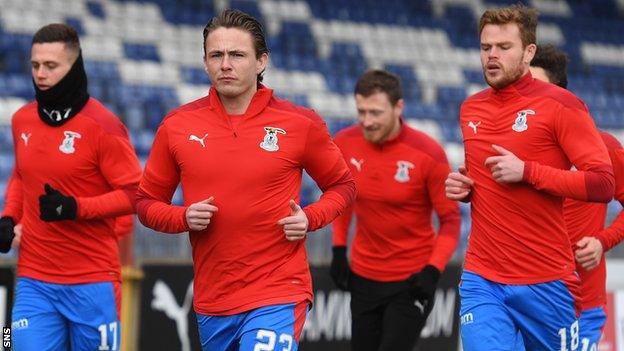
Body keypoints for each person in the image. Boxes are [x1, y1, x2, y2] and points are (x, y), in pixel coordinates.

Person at [135, 9, 356, 351]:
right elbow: (145, 203)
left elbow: (343, 185)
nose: (226, 64)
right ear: (205, 62)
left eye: (237, 55)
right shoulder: (177, 126)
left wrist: (309, 218)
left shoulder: (300, 123)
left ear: (261, 61)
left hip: (279, 290)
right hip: (214, 299)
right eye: (216, 55)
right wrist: (183, 217)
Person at [445, 5, 615, 350]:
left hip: (546, 281)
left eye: (504, 47)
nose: (492, 56)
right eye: (485, 47)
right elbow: (489, 183)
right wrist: (466, 189)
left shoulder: (563, 106)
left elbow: (603, 184)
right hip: (483, 277)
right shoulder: (470, 108)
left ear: (529, 52)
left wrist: (529, 172)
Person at [0, 23, 142, 350]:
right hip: (34, 279)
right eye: (35, 65)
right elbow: (22, 175)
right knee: (9, 344)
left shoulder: (104, 127)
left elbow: (137, 194)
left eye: (51, 66)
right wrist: (9, 218)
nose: (40, 74)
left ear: (73, 66)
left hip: (93, 284)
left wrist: (76, 207)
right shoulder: (22, 119)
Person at [330, 70, 461, 351]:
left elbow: (450, 220)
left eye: (375, 113)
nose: (367, 121)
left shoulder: (429, 153)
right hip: (363, 277)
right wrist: (339, 250)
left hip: (411, 281)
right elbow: (343, 201)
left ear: (398, 107)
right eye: (361, 112)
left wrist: (432, 270)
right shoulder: (344, 142)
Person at [514, 44, 624, 351]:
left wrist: (603, 241)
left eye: (536, 88)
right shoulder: (508, 150)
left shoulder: (602, 147)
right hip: (518, 299)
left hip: (580, 304)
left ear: (562, 95)